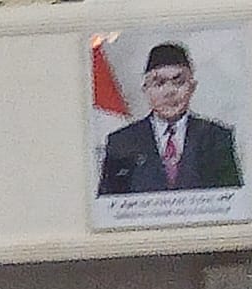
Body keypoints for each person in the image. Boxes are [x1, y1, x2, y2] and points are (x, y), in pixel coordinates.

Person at [96, 42, 243, 196]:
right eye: (159, 83)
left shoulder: (217, 138)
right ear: (146, 89)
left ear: (192, 87)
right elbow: (109, 204)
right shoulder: (121, 142)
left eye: (179, 82)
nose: (169, 92)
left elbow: (233, 200)